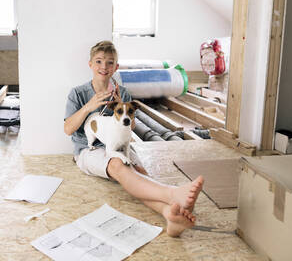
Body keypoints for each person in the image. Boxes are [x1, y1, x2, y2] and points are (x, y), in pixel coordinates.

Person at [64, 40, 204, 237]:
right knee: (118, 166)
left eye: (110, 62)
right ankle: (173, 194)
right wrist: (89, 105)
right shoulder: (77, 93)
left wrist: (122, 109)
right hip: (90, 150)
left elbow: (131, 127)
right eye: (99, 61)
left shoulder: (123, 92)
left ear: (116, 67)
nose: (104, 67)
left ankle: (169, 215)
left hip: (120, 144)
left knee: (139, 173)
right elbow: (68, 129)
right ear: (90, 64)